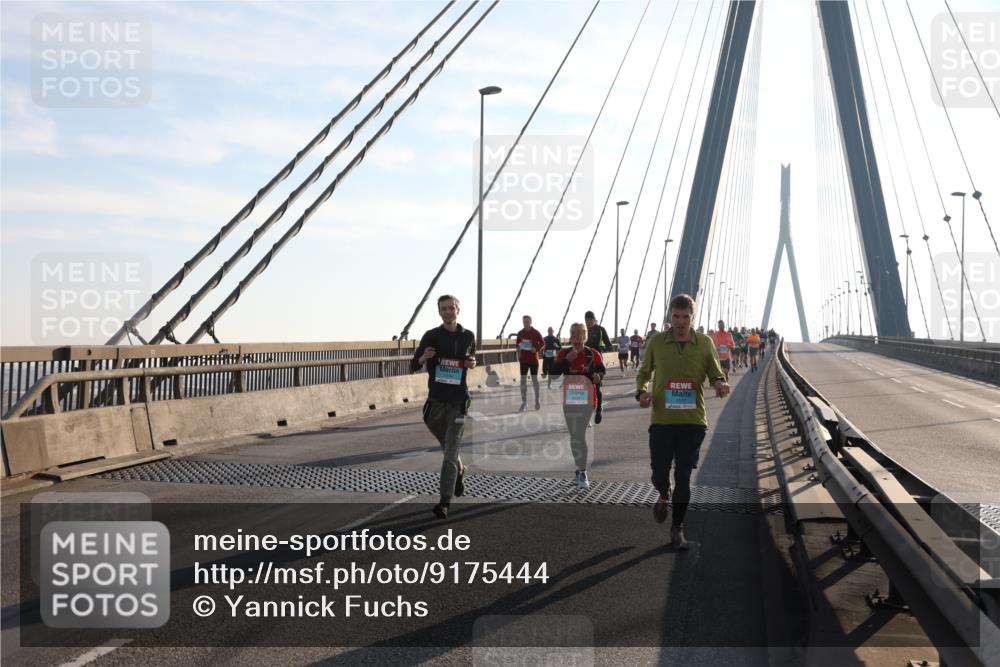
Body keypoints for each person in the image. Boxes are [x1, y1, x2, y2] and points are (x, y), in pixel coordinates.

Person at [636, 294, 729, 550]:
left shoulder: (705, 343)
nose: (680, 322)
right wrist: (641, 392)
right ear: (670, 316)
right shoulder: (656, 342)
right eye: (676, 317)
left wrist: (719, 383)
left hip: (693, 422)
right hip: (662, 421)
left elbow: (714, 371)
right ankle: (663, 494)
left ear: (692, 317)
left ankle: (677, 528)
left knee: (684, 476)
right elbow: (643, 373)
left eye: (685, 317)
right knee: (658, 474)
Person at [411, 295, 477, 520]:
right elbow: (413, 364)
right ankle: (461, 470)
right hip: (435, 406)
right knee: (449, 449)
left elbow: (471, 358)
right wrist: (423, 358)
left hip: (459, 403)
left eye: (451, 308)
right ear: (439, 312)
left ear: (458, 309)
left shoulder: (468, 335)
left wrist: (472, 363)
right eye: (443, 309)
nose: (448, 312)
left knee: (449, 454)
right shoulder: (431, 336)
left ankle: (444, 502)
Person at [551, 322, 606, 491]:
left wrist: (598, 375)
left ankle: (582, 471)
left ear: (585, 337)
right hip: (570, 400)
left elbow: (602, 371)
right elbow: (553, 375)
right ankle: (579, 466)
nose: (576, 339)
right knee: (575, 436)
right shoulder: (563, 353)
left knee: (580, 434)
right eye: (573, 335)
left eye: (579, 335)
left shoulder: (593, 354)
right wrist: (566, 361)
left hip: (588, 401)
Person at [584, 311, 612, 423]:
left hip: (596, 362)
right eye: (586, 319)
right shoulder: (583, 330)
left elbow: (608, 344)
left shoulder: (600, 329)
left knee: (597, 387)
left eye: (590, 319)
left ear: (595, 320)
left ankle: (599, 410)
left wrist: (601, 350)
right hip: (584, 362)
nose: (588, 321)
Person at [515, 315, 544, 411]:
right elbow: (518, 345)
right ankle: (524, 403)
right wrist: (519, 352)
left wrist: (536, 349)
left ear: (531, 322)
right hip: (523, 360)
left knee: (534, 380)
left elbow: (543, 343)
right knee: (523, 381)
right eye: (524, 321)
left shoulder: (535, 332)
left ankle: (537, 400)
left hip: (533, 360)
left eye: (527, 321)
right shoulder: (520, 333)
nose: (525, 323)